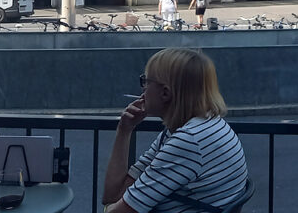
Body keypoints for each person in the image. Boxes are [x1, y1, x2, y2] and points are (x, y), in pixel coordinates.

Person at [103, 48, 249, 213]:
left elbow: (115, 209)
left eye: (146, 81)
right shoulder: (205, 124)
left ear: (165, 93)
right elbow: (113, 196)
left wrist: (111, 207)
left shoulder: (189, 140)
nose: (143, 89)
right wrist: (125, 130)